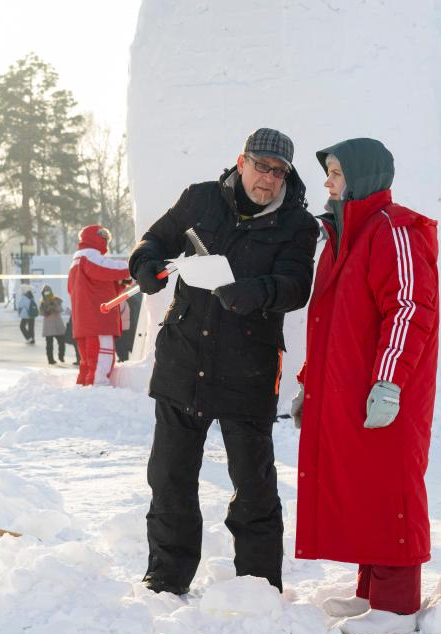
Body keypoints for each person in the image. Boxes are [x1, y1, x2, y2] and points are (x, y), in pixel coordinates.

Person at [129, 128, 317, 595]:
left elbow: (297, 286)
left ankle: (257, 584)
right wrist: (146, 267)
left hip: (247, 369)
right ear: (241, 161)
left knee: (253, 487)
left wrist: (255, 292)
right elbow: (153, 241)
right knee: (170, 478)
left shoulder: (298, 224)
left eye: (279, 172)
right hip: (183, 359)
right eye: (261, 166)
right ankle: (166, 578)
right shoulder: (201, 199)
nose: (269, 179)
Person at [293, 139, 439, 634]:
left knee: (390, 484)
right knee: (362, 483)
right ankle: (371, 593)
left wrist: (389, 382)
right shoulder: (343, 235)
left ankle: (397, 608)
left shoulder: (394, 229)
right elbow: (331, 323)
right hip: (350, 390)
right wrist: (309, 384)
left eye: (335, 172)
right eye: (328, 172)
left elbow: (408, 309)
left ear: (362, 174)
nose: (328, 181)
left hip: (384, 388)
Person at [68, 224, 130, 385]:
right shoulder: (88, 255)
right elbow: (105, 268)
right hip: (98, 321)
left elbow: (97, 286)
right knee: (101, 361)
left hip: (85, 322)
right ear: (97, 238)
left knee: (88, 364)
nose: (106, 242)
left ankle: (82, 393)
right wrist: (133, 267)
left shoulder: (77, 261)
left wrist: (121, 283)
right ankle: (97, 394)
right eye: (105, 238)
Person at [39, 284, 68, 364]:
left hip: (57, 325)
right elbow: (41, 313)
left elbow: (60, 309)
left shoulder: (56, 299)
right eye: (45, 292)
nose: (47, 293)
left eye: (48, 291)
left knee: (61, 342)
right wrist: (46, 309)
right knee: (49, 344)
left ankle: (61, 356)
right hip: (48, 327)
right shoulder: (42, 302)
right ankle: (50, 359)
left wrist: (54, 306)